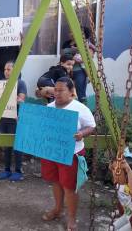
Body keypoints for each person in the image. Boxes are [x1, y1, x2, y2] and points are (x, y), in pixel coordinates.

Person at [41, 77, 96, 231]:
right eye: (55, 90)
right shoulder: (49, 107)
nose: (56, 93)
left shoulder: (80, 108)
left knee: (70, 187)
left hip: (71, 153)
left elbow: (91, 126)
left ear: (71, 92)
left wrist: (81, 134)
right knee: (56, 182)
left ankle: (71, 218)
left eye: (61, 90)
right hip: (52, 152)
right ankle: (57, 209)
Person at [0, 61, 27, 181]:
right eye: (5, 69)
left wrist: (14, 98)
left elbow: (21, 99)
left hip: (15, 118)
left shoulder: (20, 83)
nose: (6, 72)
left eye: (9, 69)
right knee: (6, 145)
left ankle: (18, 170)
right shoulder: (0, 84)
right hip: (2, 118)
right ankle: (7, 170)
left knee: (16, 144)